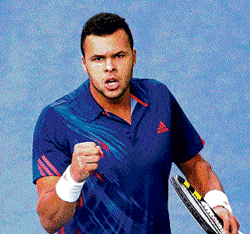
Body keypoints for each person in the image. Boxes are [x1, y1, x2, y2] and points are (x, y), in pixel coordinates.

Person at [33, 12, 240, 234]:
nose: (109, 67)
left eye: (119, 56)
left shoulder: (159, 98)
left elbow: (196, 165)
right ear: (84, 64)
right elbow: (49, 221)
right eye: (98, 58)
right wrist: (72, 178)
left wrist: (219, 204)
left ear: (134, 56)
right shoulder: (56, 118)